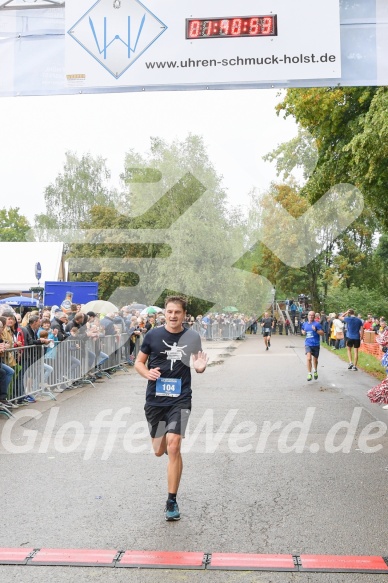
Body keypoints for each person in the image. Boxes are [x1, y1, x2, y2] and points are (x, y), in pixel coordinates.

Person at [135, 295, 208, 522]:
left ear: (184, 314)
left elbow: (197, 363)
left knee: (174, 445)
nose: (173, 316)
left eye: (177, 312)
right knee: (159, 450)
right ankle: (169, 448)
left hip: (180, 398)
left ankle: (171, 501)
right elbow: (138, 362)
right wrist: (147, 373)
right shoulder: (153, 335)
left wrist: (199, 367)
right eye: (169, 312)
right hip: (155, 400)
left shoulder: (192, 337)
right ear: (164, 313)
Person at [301, 311, 324, 381]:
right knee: (308, 358)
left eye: (312, 315)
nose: (311, 317)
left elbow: (322, 333)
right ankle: (309, 373)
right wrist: (303, 332)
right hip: (308, 344)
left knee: (315, 360)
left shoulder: (317, 324)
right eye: (310, 315)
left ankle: (315, 371)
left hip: (316, 344)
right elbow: (302, 330)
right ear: (308, 316)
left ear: (314, 317)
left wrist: (316, 330)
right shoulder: (305, 324)